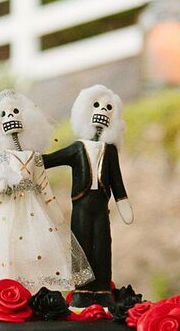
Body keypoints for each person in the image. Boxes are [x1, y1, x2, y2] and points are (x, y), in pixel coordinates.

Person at [0, 89, 92, 293]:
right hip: (7, 211)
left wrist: (53, 207)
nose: (10, 117)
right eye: (4, 114)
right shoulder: (2, 157)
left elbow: (43, 184)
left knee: (37, 249)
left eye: (14, 111)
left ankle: (37, 290)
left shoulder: (35, 157)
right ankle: (11, 290)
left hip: (34, 209)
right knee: (9, 248)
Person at [43, 84, 133, 305]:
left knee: (102, 245)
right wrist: (29, 156)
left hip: (101, 207)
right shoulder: (76, 148)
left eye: (107, 107)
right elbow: (51, 159)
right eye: (96, 106)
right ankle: (82, 291)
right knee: (81, 246)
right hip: (81, 206)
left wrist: (122, 200)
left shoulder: (110, 150)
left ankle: (102, 290)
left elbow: (117, 179)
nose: (102, 111)